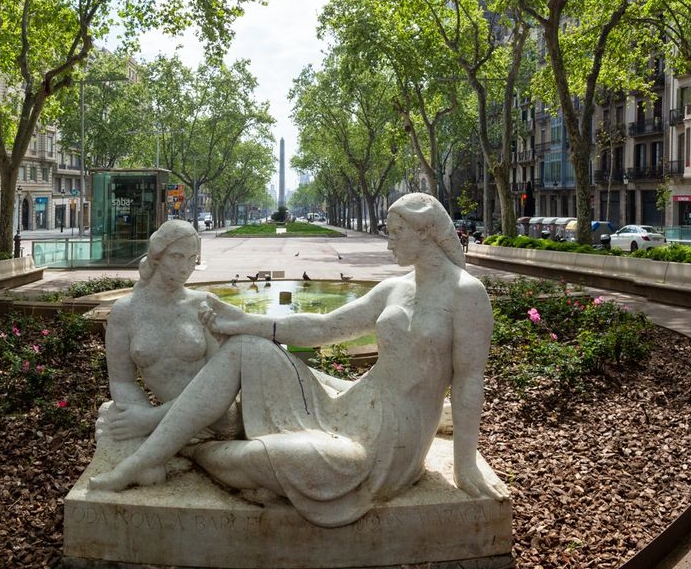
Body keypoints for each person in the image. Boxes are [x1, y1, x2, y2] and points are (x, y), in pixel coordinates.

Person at [90, 193, 506, 526]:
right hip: (355, 404)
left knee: (295, 461)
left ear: (424, 232)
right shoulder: (395, 288)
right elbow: (323, 328)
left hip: (394, 440)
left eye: (396, 231)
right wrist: (246, 321)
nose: (389, 239)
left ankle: (194, 449)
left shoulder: (466, 295)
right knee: (245, 346)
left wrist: (464, 463)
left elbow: (470, 381)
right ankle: (149, 457)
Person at [96, 220, 242, 451]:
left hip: (220, 421)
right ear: (157, 257)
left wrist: (153, 421)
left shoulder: (203, 305)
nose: (185, 268)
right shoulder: (126, 311)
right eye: (177, 256)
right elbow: (121, 381)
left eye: (192, 259)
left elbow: (219, 382)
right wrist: (143, 413)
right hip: (178, 423)